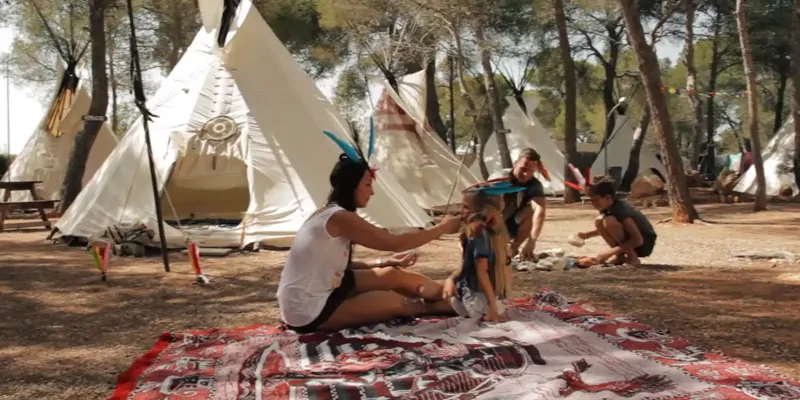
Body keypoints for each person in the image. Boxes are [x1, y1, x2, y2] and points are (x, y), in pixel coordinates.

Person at [277, 151, 461, 333]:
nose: (371, 192)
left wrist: (384, 261)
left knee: (392, 274)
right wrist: (441, 228)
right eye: (367, 184)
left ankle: (451, 291)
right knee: (395, 301)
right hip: (307, 310)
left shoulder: (329, 214)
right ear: (351, 186)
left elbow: (334, 266)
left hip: (328, 287)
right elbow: (394, 243)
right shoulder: (339, 217)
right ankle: (450, 304)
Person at [442, 189, 513, 322]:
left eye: (466, 207)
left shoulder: (478, 233)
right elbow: (466, 269)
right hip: (492, 301)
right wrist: (450, 279)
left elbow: (482, 272)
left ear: (481, 210)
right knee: (437, 292)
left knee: (430, 296)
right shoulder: (497, 233)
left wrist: (492, 309)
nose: (462, 211)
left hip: (477, 303)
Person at [575, 175, 657, 267]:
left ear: (608, 197)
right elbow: (614, 228)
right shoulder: (607, 207)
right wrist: (586, 235)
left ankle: (632, 257)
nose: (593, 204)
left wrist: (609, 253)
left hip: (644, 243)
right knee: (599, 221)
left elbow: (638, 240)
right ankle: (619, 256)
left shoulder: (622, 210)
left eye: (596, 200)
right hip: (632, 242)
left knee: (609, 221)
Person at [488, 148, 549, 261]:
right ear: (515, 163)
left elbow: (540, 211)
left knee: (532, 211)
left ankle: (513, 249)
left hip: (510, 224)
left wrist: (532, 241)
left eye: (531, 171)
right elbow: (487, 207)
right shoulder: (500, 179)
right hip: (489, 225)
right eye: (523, 169)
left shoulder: (534, 184)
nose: (526, 174)